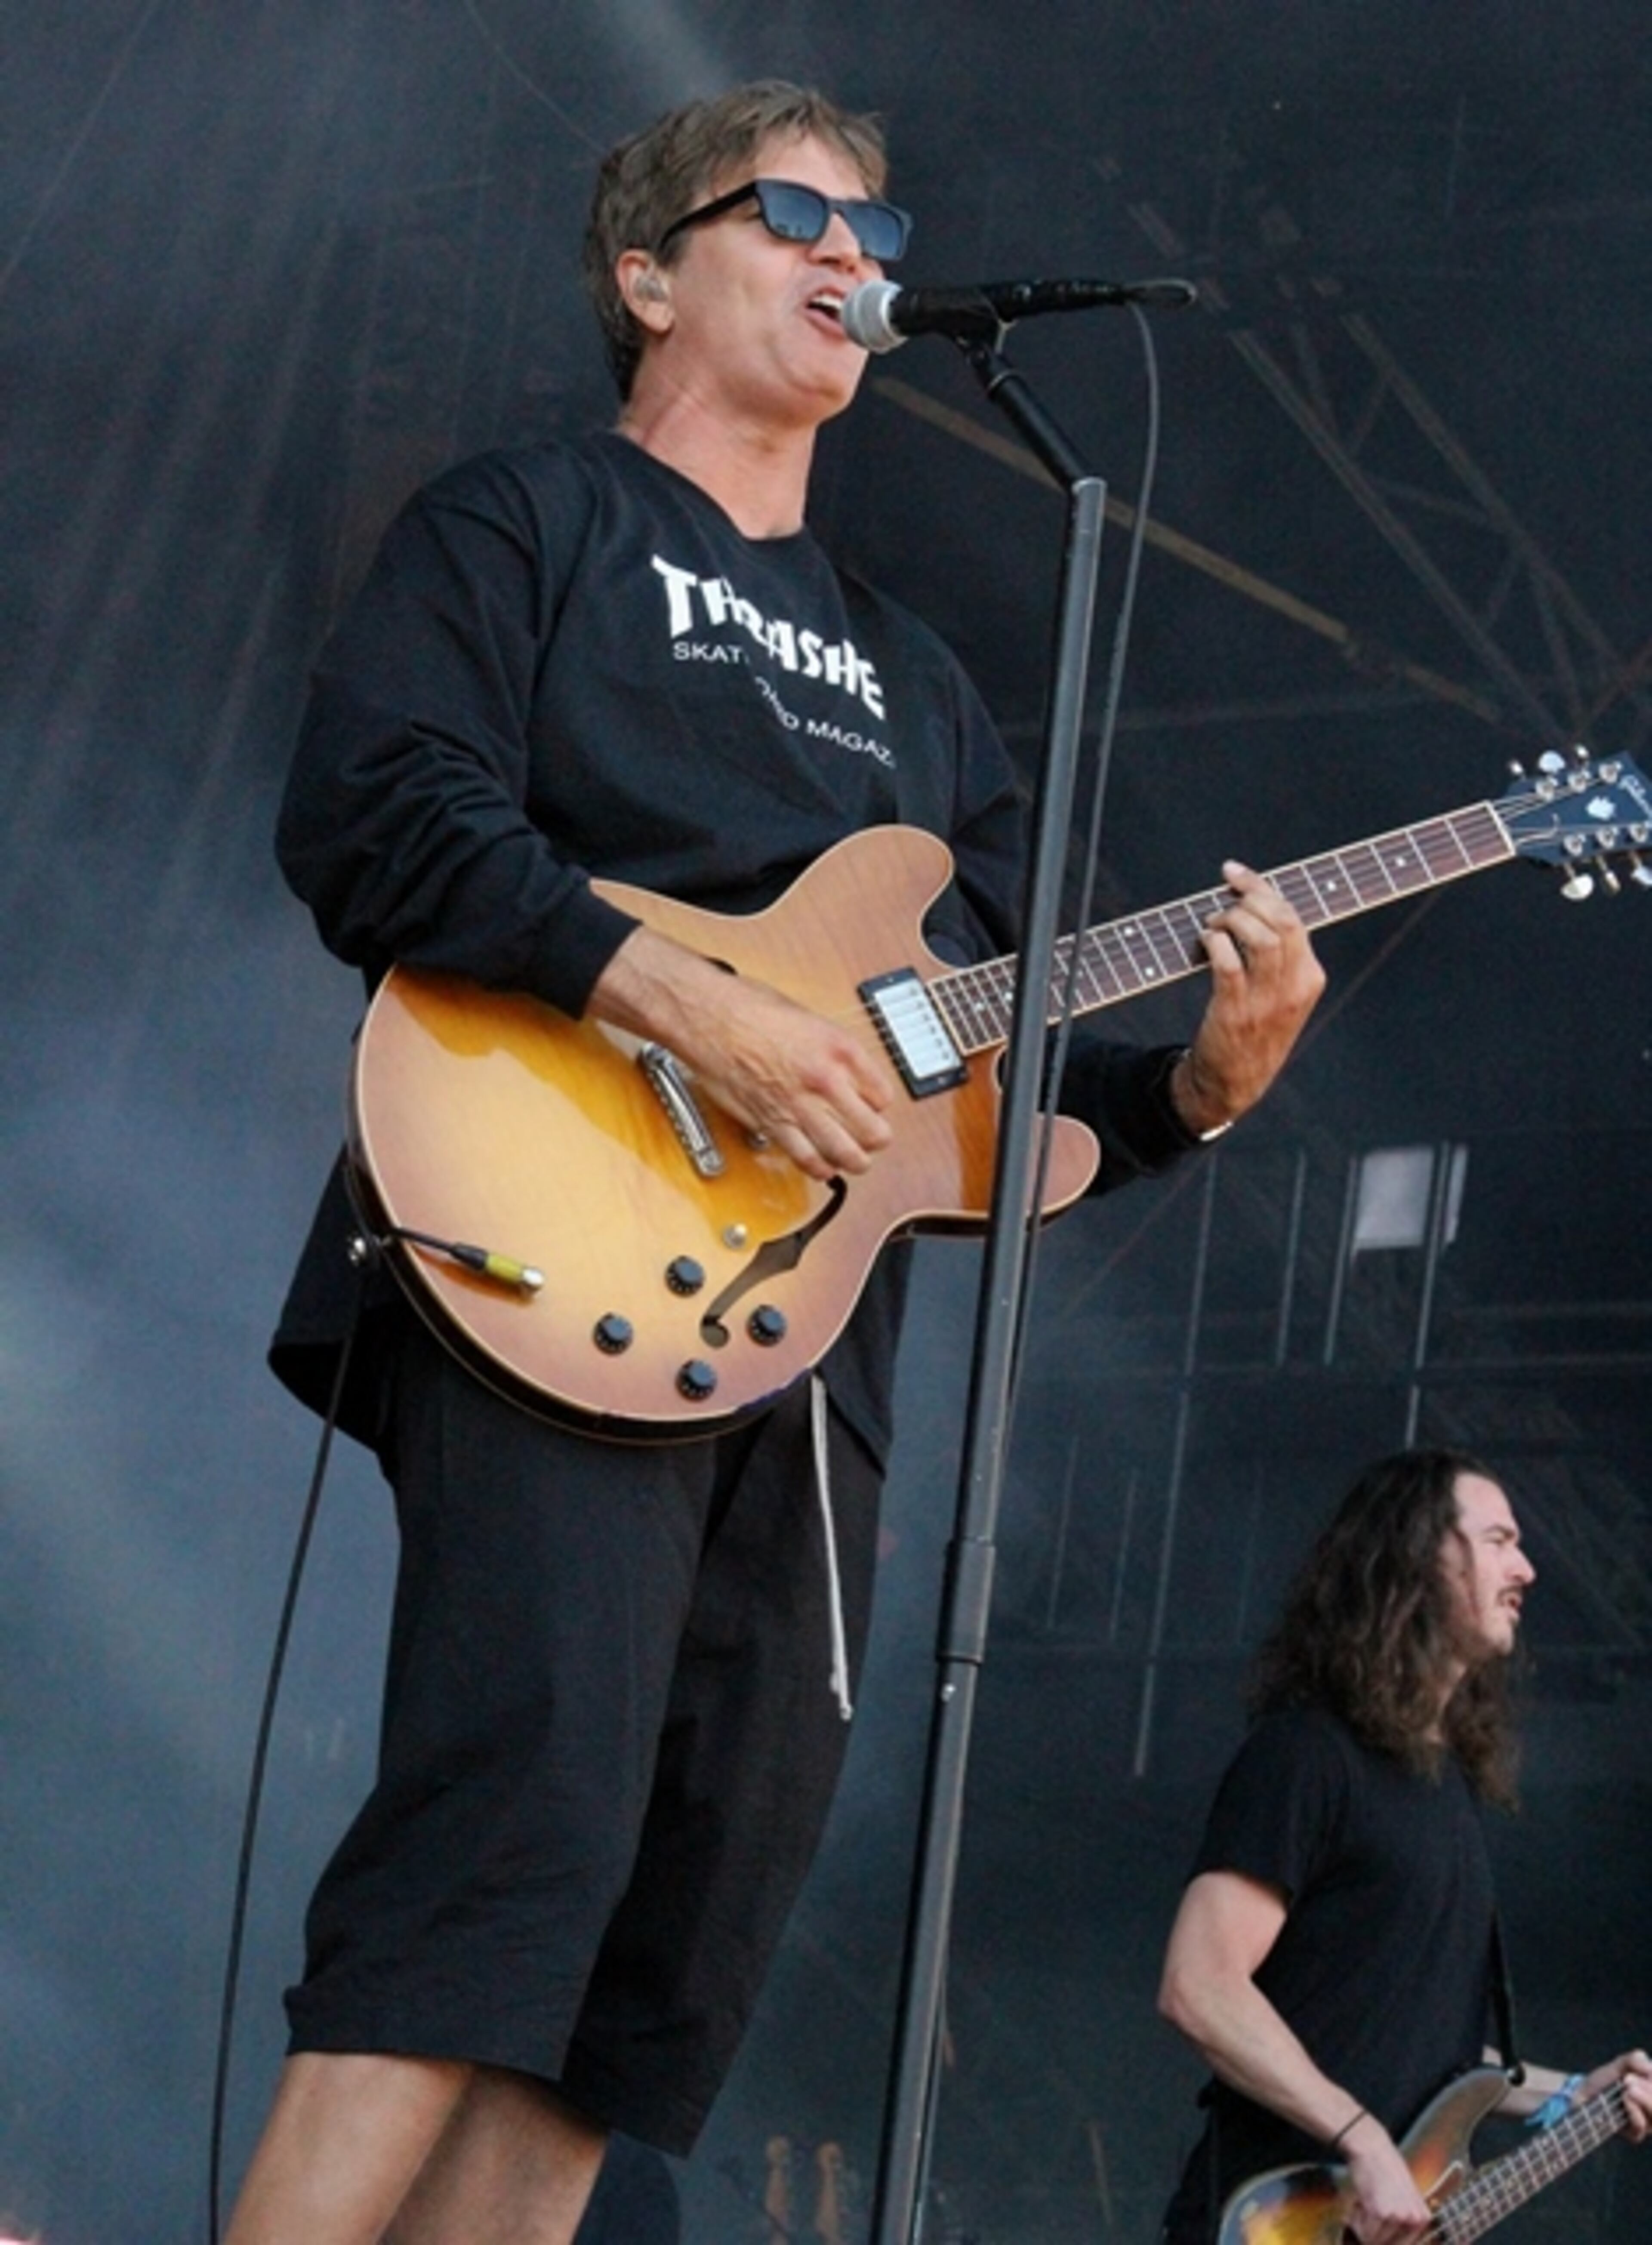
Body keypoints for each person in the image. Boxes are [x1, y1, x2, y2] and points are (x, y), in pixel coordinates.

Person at [228, 79, 1325, 2245]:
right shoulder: (525, 525)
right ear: (650, 273)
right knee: (497, 1863)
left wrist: (1199, 1084)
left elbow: (992, 1103)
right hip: (551, 1236)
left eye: (880, 226)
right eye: (797, 215)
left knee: (661, 1944)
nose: (862, 258)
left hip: (803, 1353)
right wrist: (691, 1001)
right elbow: (375, 806)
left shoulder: (922, 691)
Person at [1157, 1447, 1652, 2245]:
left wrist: (1572, 2100)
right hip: (1273, 2222)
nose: (1526, 1567)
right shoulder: (1307, 1755)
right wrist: (1363, 2139)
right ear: (1419, 1555)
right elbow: (1199, 1983)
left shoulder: (1446, 1791)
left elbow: (1432, 2052)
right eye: (1498, 1539)